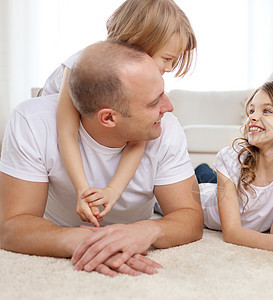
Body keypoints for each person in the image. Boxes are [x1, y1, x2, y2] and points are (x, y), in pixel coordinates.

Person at [0, 41, 203, 277]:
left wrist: (149, 230)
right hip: (55, 228)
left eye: (163, 93)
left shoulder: (166, 128)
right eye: (153, 102)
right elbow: (11, 226)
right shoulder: (32, 121)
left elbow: (190, 216)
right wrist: (78, 240)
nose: (169, 107)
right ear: (108, 118)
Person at [41, 0, 196, 227]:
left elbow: (138, 136)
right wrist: (83, 189)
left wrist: (113, 190)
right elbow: (66, 132)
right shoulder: (82, 64)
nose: (170, 68)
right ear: (141, 43)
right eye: (167, 59)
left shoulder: (140, 82)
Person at [200, 81, 273, 259]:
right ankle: (200, 169)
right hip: (199, 202)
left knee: (208, 175)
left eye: (266, 111)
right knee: (200, 177)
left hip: (222, 186)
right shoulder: (232, 159)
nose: (252, 117)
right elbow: (232, 232)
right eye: (251, 110)